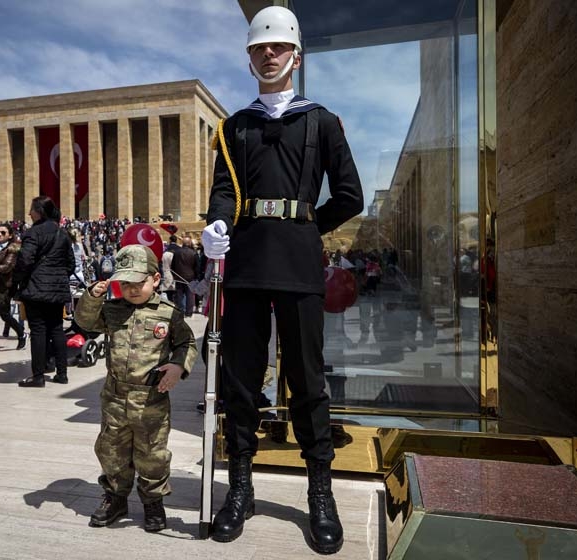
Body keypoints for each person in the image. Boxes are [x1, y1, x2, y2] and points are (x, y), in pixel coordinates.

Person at [201, 6, 364, 554]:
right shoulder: (234, 127)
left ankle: (321, 491)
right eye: (258, 48)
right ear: (249, 59)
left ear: (295, 56)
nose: (267, 55)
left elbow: (349, 194)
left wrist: (304, 226)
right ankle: (240, 487)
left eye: (276, 47)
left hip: (296, 264)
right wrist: (218, 222)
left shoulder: (321, 120)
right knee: (241, 381)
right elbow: (224, 189)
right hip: (246, 263)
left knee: (308, 380)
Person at [74, 245, 197, 532]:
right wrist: (93, 296)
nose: (131, 289)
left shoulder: (168, 313)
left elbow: (186, 344)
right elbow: (85, 321)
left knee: (152, 455)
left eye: (138, 283)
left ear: (155, 279)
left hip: (151, 400)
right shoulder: (113, 310)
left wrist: (178, 366)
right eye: (125, 283)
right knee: (111, 451)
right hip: (115, 398)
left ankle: (153, 502)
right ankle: (115, 498)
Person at [13, 196, 74, 387]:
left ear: (39, 212)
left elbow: (25, 260)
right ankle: (62, 374)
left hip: (36, 288)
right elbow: (71, 264)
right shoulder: (62, 233)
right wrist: (56, 276)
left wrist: (18, 281)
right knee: (57, 329)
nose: (29, 213)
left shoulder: (33, 233)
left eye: (31, 209)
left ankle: (38, 376)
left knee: (38, 330)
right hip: (57, 290)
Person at [0, 223, 27, 349]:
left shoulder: (12, 248)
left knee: (4, 314)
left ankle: (21, 333)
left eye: (3, 233)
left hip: (6, 286)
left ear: (10, 235)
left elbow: (6, 267)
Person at [171, 235, 198, 317]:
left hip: (179, 277)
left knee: (179, 295)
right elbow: (196, 266)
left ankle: (180, 312)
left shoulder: (176, 252)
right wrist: (196, 277)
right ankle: (189, 312)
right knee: (189, 295)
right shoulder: (194, 253)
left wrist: (175, 275)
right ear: (189, 243)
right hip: (190, 277)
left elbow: (173, 266)